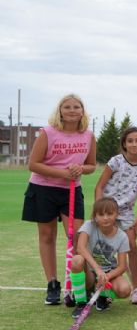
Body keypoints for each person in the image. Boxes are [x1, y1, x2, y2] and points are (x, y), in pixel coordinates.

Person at [22, 94, 96, 305]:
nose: (72, 110)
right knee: (47, 236)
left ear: (82, 111)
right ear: (60, 111)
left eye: (76, 107)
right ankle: (52, 284)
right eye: (67, 107)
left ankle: (79, 284)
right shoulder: (48, 132)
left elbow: (91, 166)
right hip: (43, 189)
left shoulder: (88, 135)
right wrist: (62, 173)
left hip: (72, 191)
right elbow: (33, 164)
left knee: (77, 239)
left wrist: (81, 169)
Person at [94, 126, 137, 304]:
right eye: (130, 141)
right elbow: (99, 187)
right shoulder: (116, 161)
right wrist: (99, 210)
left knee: (131, 246)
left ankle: (136, 288)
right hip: (107, 210)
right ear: (124, 144)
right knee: (105, 248)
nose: (134, 144)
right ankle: (104, 286)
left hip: (126, 213)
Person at [69, 197, 131, 318]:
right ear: (95, 216)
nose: (105, 218)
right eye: (101, 214)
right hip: (90, 270)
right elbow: (80, 248)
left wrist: (106, 277)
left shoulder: (122, 236)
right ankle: (81, 302)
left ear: (116, 214)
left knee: (124, 290)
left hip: (108, 272)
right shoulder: (89, 225)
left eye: (109, 214)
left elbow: (123, 266)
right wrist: (97, 269)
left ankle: (102, 295)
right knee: (77, 260)